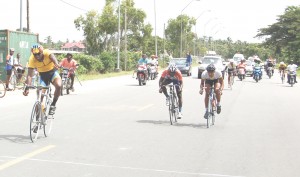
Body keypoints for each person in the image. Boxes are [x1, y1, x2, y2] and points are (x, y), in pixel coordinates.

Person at [23, 44, 62, 115]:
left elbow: (53, 58)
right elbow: (29, 75)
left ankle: (53, 105)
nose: (37, 56)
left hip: (52, 73)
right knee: (39, 93)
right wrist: (27, 87)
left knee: (59, 85)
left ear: (42, 52)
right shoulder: (32, 59)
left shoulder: (47, 52)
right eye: (35, 54)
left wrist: (57, 64)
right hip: (43, 76)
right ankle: (38, 119)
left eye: (38, 54)